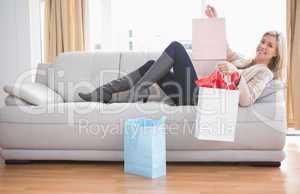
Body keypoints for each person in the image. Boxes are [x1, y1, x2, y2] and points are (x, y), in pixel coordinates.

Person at [79, 5, 286, 107]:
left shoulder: (265, 73)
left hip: (203, 99)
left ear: (276, 53)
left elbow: (247, 100)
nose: (263, 46)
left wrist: (236, 75)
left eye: (270, 45)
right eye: (263, 41)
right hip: (188, 95)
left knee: (176, 48)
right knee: (153, 64)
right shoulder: (245, 60)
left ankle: (137, 91)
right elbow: (227, 50)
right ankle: (105, 92)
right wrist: (215, 22)